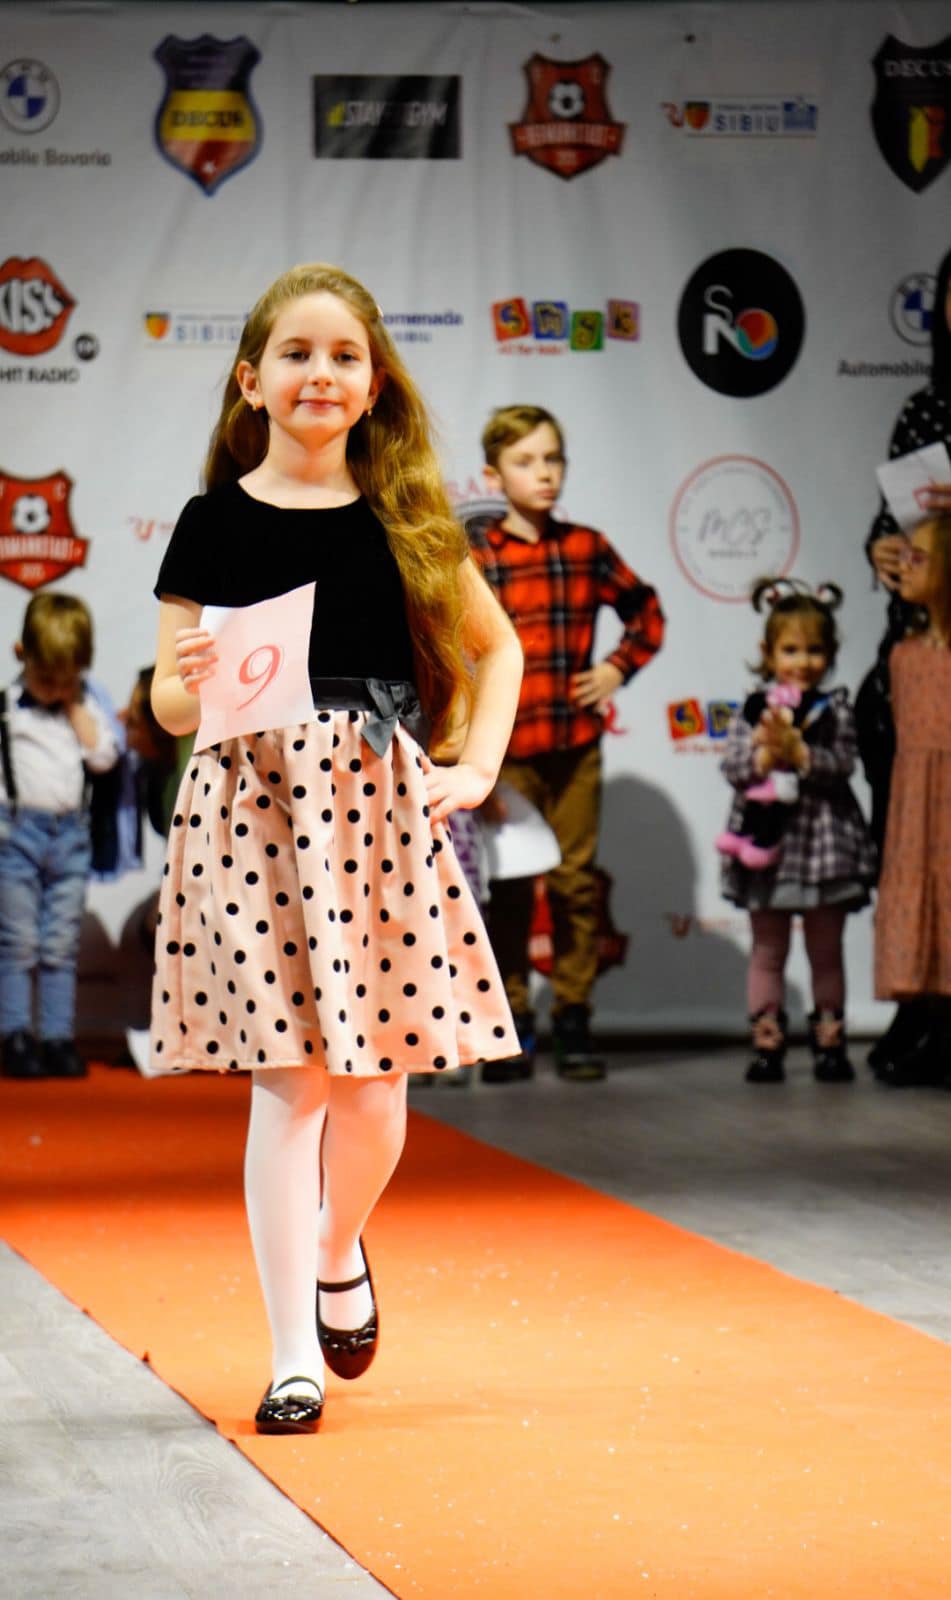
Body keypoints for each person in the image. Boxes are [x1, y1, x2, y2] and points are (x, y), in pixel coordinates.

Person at [149, 262, 523, 1436]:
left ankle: (337, 1244)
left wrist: (475, 767)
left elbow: (498, 649)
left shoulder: (405, 519)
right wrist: (186, 679)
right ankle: (290, 1355)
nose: (321, 373)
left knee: (374, 1089)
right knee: (290, 1082)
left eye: (345, 356)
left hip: (374, 811)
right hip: (253, 816)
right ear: (250, 380)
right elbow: (168, 699)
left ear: (373, 386)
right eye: (298, 354)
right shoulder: (211, 523)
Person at [471, 404, 664, 1083]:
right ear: (493, 476)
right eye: (525, 461)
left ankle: (574, 1016)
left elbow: (645, 610)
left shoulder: (586, 547)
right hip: (505, 750)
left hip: (574, 745)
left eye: (552, 458)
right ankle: (512, 1022)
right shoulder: (479, 556)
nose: (544, 473)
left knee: (576, 883)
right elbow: (455, 649)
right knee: (509, 887)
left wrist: (615, 668)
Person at [719, 580, 876, 1085]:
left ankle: (830, 1044)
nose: (803, 661)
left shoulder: (836, 708)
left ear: (829, 654)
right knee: (768, 952)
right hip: (767, 851)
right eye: (790, 650)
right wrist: (768, 752)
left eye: (814, 650)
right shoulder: (752, 709)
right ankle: (768, 1045)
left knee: (825, 953)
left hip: (825, 848)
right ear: (768, 653)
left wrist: (801, 752)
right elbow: (734, 767)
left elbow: (843, 763)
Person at [863, 246, 951, 1072]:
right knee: (910, 840)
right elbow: (884, 522)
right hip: (917, 650)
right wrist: (885, 551)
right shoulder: (925, 409)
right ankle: (917, 1000)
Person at [0, 592, 120, 1080]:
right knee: (18, 942)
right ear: (21, 654)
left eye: (64, 681)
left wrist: (75, 708)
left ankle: (57, 1036)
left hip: (70, 840)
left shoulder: (84, 707)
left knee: (60, 945)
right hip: (15, 838)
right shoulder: (8, 709)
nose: (53, 691)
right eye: (45, 680)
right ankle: (15, 1035)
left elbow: (104, 757)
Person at [873, 515, 951, 1086]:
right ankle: (934, 1030)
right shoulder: (904, 655)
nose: (904, 565)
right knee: (924, 905)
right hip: (916, 806)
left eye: (919, 556)